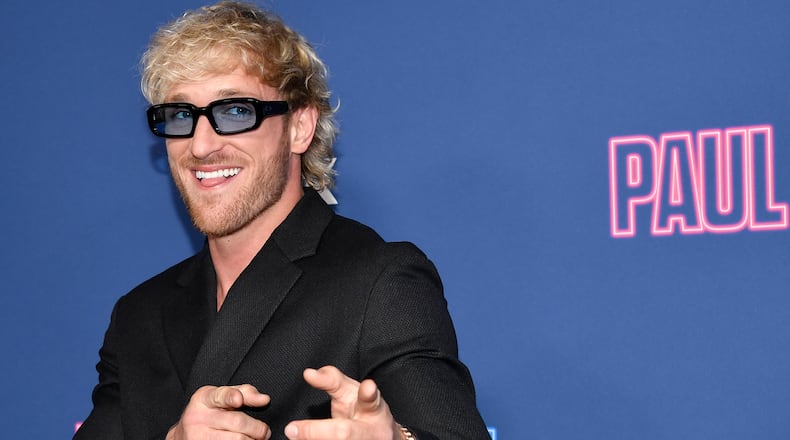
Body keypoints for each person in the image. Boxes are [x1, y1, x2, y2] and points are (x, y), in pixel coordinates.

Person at [75, 1, 489, 439]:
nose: (200, 146)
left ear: (300, 126)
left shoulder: (378, 281)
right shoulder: (140, 314)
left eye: (235, 111)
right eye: (181, 116)